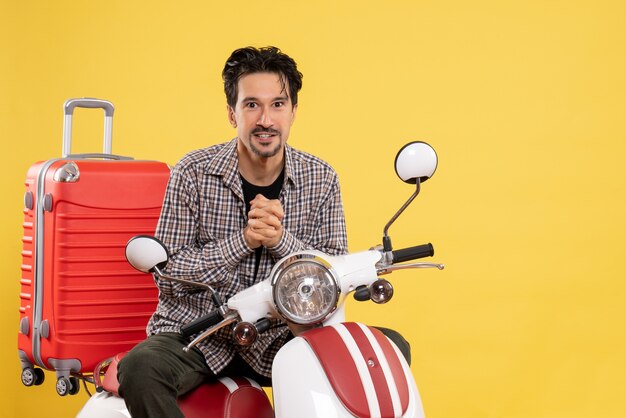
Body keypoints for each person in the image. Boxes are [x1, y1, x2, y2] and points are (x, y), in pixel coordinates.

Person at [117, 46, 409, 417]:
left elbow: (334, 275)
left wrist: (278, 241)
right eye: (251, 105)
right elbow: (169, 275)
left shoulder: (321, 179)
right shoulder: (192, 172)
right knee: (141, 368)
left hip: (281, 338)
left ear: (293, 112)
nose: (265, 119)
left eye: (277, 105)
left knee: (388, 348)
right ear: (231, 113)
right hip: (198, 335)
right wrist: (243, 241)